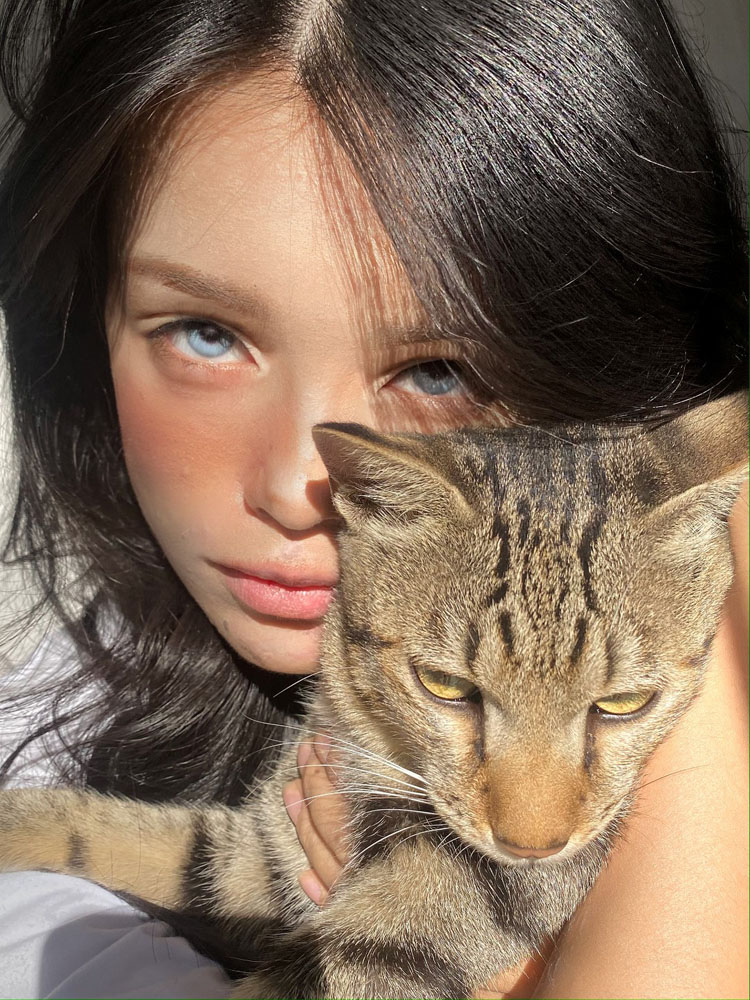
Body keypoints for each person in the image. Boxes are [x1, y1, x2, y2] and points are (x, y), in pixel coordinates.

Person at [0, 0, 746, 997]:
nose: (298, 487)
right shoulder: (49, 733)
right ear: (84, 316)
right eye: (206, 334)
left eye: (439, 371)